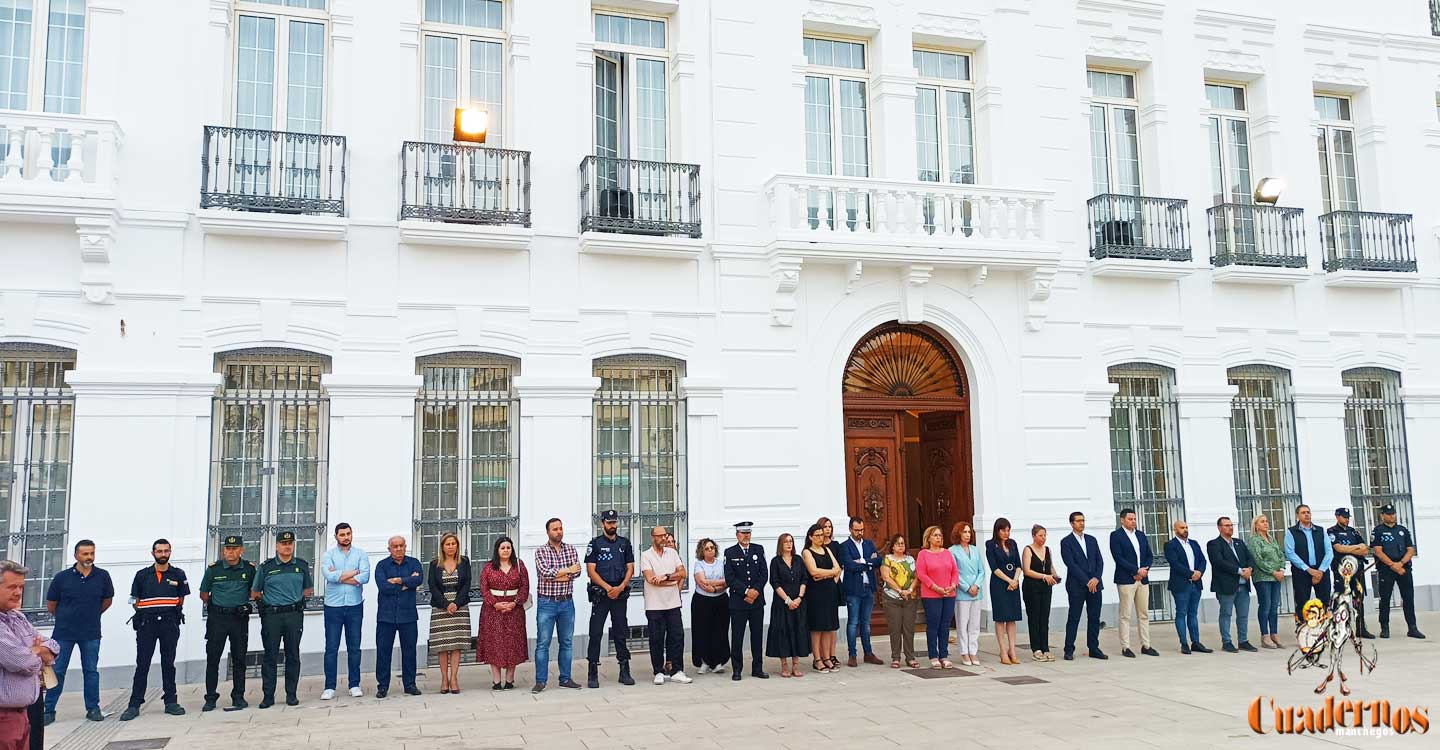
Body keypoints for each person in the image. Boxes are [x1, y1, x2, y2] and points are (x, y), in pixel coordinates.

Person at [42, 539, 112, 725]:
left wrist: (91, 615)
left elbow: (107, 600)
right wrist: (68, 616)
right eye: (85, 554)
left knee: (91, 671)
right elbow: (51, 605)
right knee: (57, 670)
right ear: (76, 556)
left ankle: (93, 708)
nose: (89, 557)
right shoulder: (62, 578)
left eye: (92, 553)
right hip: (64, 633)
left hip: (90, 633)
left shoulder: (102, 576)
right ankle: (48, 710)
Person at [120, 539, 188, 721]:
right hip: (147, 624)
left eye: (166, 551)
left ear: (170, 552)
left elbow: (181, 599)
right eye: (159, 551)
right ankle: (134, 705)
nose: (163, 554)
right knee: (142, 664)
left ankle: (171, 702)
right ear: (153, 553)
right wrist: (147, 611)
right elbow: (135, 600)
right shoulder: (142, 575)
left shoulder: (178, 574)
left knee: (169, 663)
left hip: (169, 624)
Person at [251, 530, 313, 708]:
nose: (287, 546)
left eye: (290, 543)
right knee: (270, 655)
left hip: (294, 615)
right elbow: (255, 592)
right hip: (272, 616)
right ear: (277, 546)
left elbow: (308, 591)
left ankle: (291, 694)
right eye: (284, 543)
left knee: (293, 654)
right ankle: (268, 696)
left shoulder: (301, 565)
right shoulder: (266, 567)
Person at [0, 561, 57, 750]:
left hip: (22, 715)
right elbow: (22, 661)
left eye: (21, 587)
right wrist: (38, 653)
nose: (18, 592)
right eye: (11, 587)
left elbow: (54, 646)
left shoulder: (18, 618)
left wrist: (39, 650)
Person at [198, 534, 256, 712]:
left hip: (239, 619)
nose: (230, 552)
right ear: (223, 550)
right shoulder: (214, 570)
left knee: (239, 659)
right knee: (213, 658)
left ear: (241, 550)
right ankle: (210, 698)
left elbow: (254, 591)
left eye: (234, 548)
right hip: (218, 619)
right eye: (227, 548)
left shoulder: (249, 569)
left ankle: (238, 696)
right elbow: (204, 594)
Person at [584, 509, 636, 688]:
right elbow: (591, 570)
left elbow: (630, 568)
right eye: (609, 522)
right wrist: (608, 589)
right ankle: (592, 671)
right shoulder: (595, 544)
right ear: (602, 524)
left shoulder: (624, 543)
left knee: (621, 631)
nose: (612, 525)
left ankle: (624, 669)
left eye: (614, 522)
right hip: (601, 593)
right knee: (596, 632)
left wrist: (620, 587)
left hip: (619, 593)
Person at [320, 522, 370, 701]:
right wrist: (353, 573)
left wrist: (342, 575)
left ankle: (354, 684)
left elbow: (364, 577)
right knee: (331, 648)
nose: (346, 537)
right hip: (333, 607)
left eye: (348, 534)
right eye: (342, 534)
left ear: (352, 534)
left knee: (354, 647)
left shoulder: (361, 554)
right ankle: (329, 686)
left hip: (355, 605)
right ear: (336, 537)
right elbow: (329, 576)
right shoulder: (328, 555)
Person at [533, 518, 583, 693]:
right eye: (555, 529)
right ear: (547, 532)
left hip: (566, 602)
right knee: (543, 643)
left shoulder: (570, 549)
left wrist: (563, 573)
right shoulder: (541, 551)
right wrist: (567, 571)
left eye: (561, 528)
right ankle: (540, 681)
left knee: (567, 642)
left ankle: (565, 678)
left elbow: (576, 572)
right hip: (547, 602)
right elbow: (545, 573)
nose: (559, 531)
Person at [640, 525, 691, 685]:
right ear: (653, 537)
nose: (663, 538)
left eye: (665, 535)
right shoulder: (646, 555)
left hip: (673, 602)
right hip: (654, 604)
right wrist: (671, 580)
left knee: (677, 636)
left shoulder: (673, 553)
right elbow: (650, 579)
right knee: (656, 638)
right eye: (660, 536)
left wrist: (667, 576)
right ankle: (658, 671)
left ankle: (677, 670)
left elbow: (683, 573)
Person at [374, 535, 423, 698]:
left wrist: (399, 580)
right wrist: (405, 585)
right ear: (389, 549)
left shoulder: (414, 563)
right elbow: (383, 587)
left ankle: (410, 685)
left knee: (409, 651)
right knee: (383, 652)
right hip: (386, 616)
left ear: (405, 546)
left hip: (408, 615)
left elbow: (419, 579)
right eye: (395, 546)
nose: (399, 549)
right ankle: (382, 686)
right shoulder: (382, 565)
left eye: (401, 545)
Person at [477, 536, 528, 690]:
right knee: (495, 643)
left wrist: (514, 602)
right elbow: (484, 589)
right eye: (503, 548)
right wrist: (495, 603)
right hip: (493, 611)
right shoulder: (489, 567)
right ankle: (497, 680)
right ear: (497, 550)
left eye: (508, 547)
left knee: (512, 642)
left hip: (514, 610)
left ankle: (510, 680)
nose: (506, 550)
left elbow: (525, 586)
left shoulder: (519, 565)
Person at [723, 521, 769, 680]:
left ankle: (757, 668)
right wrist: (746, 591)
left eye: (748, 532)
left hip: (756, 601)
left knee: (757, 636)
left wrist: (755, 591)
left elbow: (764, 573)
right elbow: (730, 578)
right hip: (738, 602)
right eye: (743, 533)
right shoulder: (730, 552)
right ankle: (737, 669)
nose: (746, 536)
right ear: (737, 535)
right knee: (737, 637)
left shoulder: (758, 549)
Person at [1109, 508, 1157, 658]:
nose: (1133, 521)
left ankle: (1146, 645)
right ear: (1122, 520)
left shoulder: (1141, 535)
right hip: (1126, 579)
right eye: (1130, 519)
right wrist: (1135, 571)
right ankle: (1126, 647)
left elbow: (1149, 555)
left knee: (1143, 614)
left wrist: (1145, 570)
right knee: (1125, 615)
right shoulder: (1116, 536)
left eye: (1135, 519)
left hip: (1143, 579)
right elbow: (1118, 557)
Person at [427, 532, 472, 694]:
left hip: (460, 606)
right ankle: (444, 679)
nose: (451, 547)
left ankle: (454, 678)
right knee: (442, 645)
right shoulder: (434, 563)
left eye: (453, 544)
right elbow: (432, 585)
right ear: (442, 547)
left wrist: (456, 603)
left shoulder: (464, 561)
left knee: (456, 645)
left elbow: (467, 583)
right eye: (448, 544)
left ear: (457, 545)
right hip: (440, 607)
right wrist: (446, 604)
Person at [1371, 503, 1423, 639]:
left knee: (1408, 598)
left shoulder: (1402, 530)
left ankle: (1412, 627)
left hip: (1403, 568)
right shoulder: (1378, 531)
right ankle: (1385, 627)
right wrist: (1392, 565)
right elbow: (1377, 551)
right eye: (1388, 514)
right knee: (1385, 599)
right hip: (1386, 569)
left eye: (1393, 513)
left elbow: (1411, 549)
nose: (1392, 516)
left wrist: (1400, 564)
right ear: (1382, 515)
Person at [1059, 512, 1106, 660]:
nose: (1082, 523)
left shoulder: (1092, 540)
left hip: (1095, 585)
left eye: (1083, 520)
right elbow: (1071, 564)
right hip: (1077, 585)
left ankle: (1093, 647)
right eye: (1078, 521)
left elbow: (1100, 561)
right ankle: (1068, 649)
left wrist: (1096, 578)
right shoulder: (1066, 542)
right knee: (1074, 617)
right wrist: (1087, 581)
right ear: (1072, 523)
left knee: (1094, 617)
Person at [1206, 516, 1256, 653]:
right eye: (1227, 525)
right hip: (1226, 585)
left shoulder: (1239, 543)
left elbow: (1250, 558)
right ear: (1219, 528)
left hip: (1243, 585)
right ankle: (1227, 642)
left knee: (1243, 615)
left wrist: (1250, 569)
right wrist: (1240, 571)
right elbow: (1219, 562)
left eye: (1231, 525)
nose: (1230, 527)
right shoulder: (1214, 544)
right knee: (1226, 614)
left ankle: (1243, 640)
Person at [838, 516, 881, 667]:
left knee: (866, 623)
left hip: (868, 587)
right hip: (853, 589)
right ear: (850, 529)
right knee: (853, 622)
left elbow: (878, 561)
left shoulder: (869, 544)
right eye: (857, 530)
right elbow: (849, 565)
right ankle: (852, 654)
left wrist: (863, 561)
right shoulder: (845, 546)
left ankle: (868, 653)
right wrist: (869, 562)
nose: (860, 533)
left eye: (862, 530)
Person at [766, 533, 809, 677]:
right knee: (783, 633)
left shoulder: (798, 560)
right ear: (781, 544)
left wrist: (799, 598)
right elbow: (775, 582)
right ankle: (784, 665)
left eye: (791, 541)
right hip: (782, 604)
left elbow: (804, 579)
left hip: (798, 602)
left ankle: (795, 665)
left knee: (797, 631)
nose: (789, 544)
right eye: (785, 542)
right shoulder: (776, 561)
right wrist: (788, 600)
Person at [1327, 508, 1374, 640]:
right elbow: (1338, 548)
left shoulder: (1353, 531)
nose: (1346, 519)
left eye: (1348, 517)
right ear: (1337, 517)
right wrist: (1355, 548)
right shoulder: (1332, 531)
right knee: (1341, 600)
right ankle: (1339, 629)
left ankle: (1360, 628)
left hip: (1357, 571)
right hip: (1342, 571)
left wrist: (1350, 549)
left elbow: (1365, 549)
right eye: (1343, 516)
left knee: (1358, 599)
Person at [1164, 521, 1210, 654]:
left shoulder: (1194, 543)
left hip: (1196, 584)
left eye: (1186, 527)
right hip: (1181, 584)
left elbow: (1202, 560)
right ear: (1175, 529)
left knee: (1193, 614)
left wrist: (1199, 573)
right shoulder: (1170, 545)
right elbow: (1175, 563)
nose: (1185, 530)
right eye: (1182, 528)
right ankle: (1184, 643)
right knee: (1181, 613)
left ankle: (1196, 642)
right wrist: (1191, 574)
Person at [801, 523, 841, 673]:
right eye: (817, 535)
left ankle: (827, 658)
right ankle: (817, 659)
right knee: (817, 627)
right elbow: (813, 572)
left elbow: (837, 569)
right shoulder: (807, 552)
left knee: (828, 626)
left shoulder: (827, 550)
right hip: (816, 594)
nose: (820, 538)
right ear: (810, 536)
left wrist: (827, 574)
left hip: (830, 592)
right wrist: (829, 573)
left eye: (822, 535)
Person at [916, 525, 958, 669]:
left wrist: (952, 585)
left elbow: (955, 571)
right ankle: (933, 655)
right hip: (931, 594)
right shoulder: (923, 554)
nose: (938, 538)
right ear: (928, 538)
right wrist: (936, 588)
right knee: (933, 625)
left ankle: (944, 655)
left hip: (949, 593)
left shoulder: (947, 553)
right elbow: (921, 574)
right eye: (935, 535)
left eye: (940, 535)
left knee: (945, 625)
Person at [1283, 504, 1333, 619]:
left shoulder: (1320, 531)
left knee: (1324, 602)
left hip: (1321, 572)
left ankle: (1323, 630)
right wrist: (1309, 570)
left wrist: (1320, 571)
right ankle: (1302, 630)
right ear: (1297, 516)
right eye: (1303, 513)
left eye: (1308, 512)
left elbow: (1329, 551)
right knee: (1302, 602)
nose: (1306, 515)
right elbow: (1290, 553)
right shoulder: (1292, 532)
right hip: (1302, 573)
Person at [984, 519, 1023, 665]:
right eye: (1003, 530)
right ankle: (1002, 650)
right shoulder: (990, 544)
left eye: (1008, 530)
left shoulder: (1012, 543)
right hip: (1000, 583)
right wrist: (1008, 580)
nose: (1006, 533)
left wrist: (1015, 579)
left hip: (1013, 583)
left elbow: (1018, 564)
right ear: (997, 530)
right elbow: (994, 567)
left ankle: (1012, 649)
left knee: (1012, 617)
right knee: (1001, 617)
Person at [689, 538, 730, 674]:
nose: (710, 550)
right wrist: (717, 583)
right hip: (702, 601)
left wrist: (714, 587)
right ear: (702, 551)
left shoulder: (721, 564)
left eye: (712, 547)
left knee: (719, 631)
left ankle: (718, 662)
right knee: (702, 631)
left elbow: (727, 581)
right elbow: (702, 582)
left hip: (721, 601)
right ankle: (704, 662)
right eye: (707, 548)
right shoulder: (698, 564)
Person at [879, 534, 918, 669]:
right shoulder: (887, 559)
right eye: (898, 544)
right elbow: (886, 577)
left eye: (902, 543)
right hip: (892, 598)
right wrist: (900, 591)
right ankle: (896, 657)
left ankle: (910, 657)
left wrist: (910, 589)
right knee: (895, 628)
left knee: (909, 628)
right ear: (893, 546)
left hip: (910, 598)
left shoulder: (910, 559)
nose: (901, 546)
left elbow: (916, 577)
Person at [1248, 514, 1287, 649]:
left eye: (1267, 521)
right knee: (1265, 605)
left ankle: (1274, 634)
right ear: (1256, 525)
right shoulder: (1254, 540)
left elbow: (1280, 554)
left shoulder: (1271, 538)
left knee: (1274, 606)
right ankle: (1265, 635)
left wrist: (1282, 568)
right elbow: (1258, 560)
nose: (1266, 524)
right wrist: (1273, 572)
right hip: (1263, 577)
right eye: (1262, 522)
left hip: (1276, 577)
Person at [1021, 525, 1059, 663]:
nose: (1043, 538)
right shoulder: (1028, 549)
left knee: (1044, 617)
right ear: (1034, 536)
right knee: (1034, 617)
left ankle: (1045, 647)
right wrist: (1044, 576)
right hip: (1032, 586)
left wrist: (1054, 575)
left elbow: (1050, 566)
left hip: (1046, 586)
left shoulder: (1048, 550)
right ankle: (1036, 648)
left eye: (1045, 535)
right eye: (1040, 535)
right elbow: (1027, 570)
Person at [951, 523, 985, 667]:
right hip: (962, 593)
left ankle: (973, 650)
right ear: (958, 533)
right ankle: (964, 651)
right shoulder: (952, 551)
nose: (967, 534)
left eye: (969, 532)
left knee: (974, 624)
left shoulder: (975, 550)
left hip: (976, 592)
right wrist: (967, 587)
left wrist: (976, 585)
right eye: (964, 532)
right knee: (962, 623)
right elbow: (954, 572)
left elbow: (981, 571)